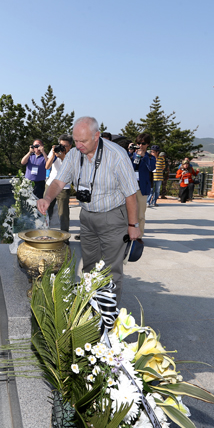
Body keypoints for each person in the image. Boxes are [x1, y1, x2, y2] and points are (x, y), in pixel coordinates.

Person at [37, 116, 139, 305]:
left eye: (83, 141)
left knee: (111, 270)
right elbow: (59, 181)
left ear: (96, 136)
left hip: (113, 217)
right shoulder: (75, 155)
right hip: (87, 218)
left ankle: (109, 316)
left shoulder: (117, 155)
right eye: (75, 141)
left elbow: (131, 194)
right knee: (89, 266)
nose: (78, 145)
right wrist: (47, 198)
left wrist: (133, 225)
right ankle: (89, 310)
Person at [44, 134, 73, 232]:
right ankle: (44, 232)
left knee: (63, 214)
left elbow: (72, 169)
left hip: (63, 187)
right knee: (46, 210)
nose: (62, 147)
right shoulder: (55, 150)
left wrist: (62, 157)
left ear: (70, 146)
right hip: (50, 185)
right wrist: (53, 154)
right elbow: (47, 166)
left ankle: (64, 237)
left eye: (65, 146)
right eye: (61, 145)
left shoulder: (74, 154)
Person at [129, 134, 156, 238]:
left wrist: (143, 156)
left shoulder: (150, 157)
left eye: (143, 143)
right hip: (130, 188)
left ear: (147, 144)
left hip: (142, 188)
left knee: (140, 214)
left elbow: (151, 168)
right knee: (128, 213)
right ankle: (128, 234)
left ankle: (139, 235)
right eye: (138, 143)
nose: (140, 145)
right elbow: (130, 168)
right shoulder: (131, 156)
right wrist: (131, 152)